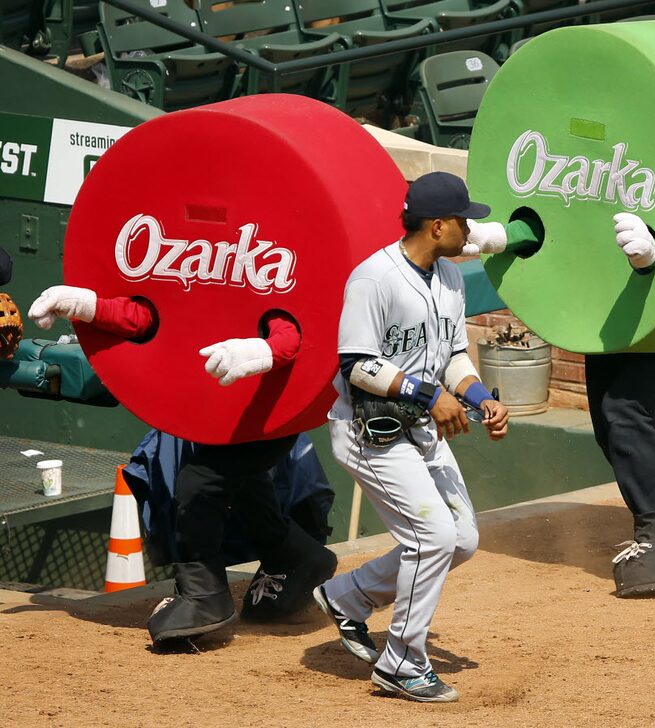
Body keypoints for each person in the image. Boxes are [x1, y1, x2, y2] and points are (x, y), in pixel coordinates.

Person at [27, 288, 337, 644]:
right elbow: (147, 317)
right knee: (244, 484)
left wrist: (260, 349)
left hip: (264, 413)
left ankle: (204, 594)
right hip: (210, 409)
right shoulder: (191, 271)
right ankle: (295, 558)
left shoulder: (263, 275)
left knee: (198, 482)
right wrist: (88, 306)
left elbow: (289, 327)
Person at [312, 171, 509, 703]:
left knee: (461, 540)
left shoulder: (450, 277)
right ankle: (401, 663)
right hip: (368, 430)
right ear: (437, 224)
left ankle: (347, 596)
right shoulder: (373, 278)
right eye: (464, 220)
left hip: (419, 428)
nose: (471, 229)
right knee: (433, 539)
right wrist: (428, 396)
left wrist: (478, 397)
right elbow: (355, 363)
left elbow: (455, 358)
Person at [463, 212, 655, 597]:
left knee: (626, 414)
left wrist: (652, 254)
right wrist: (503, 236)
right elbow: (554, 213)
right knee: (607, 426)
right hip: (606, 310)